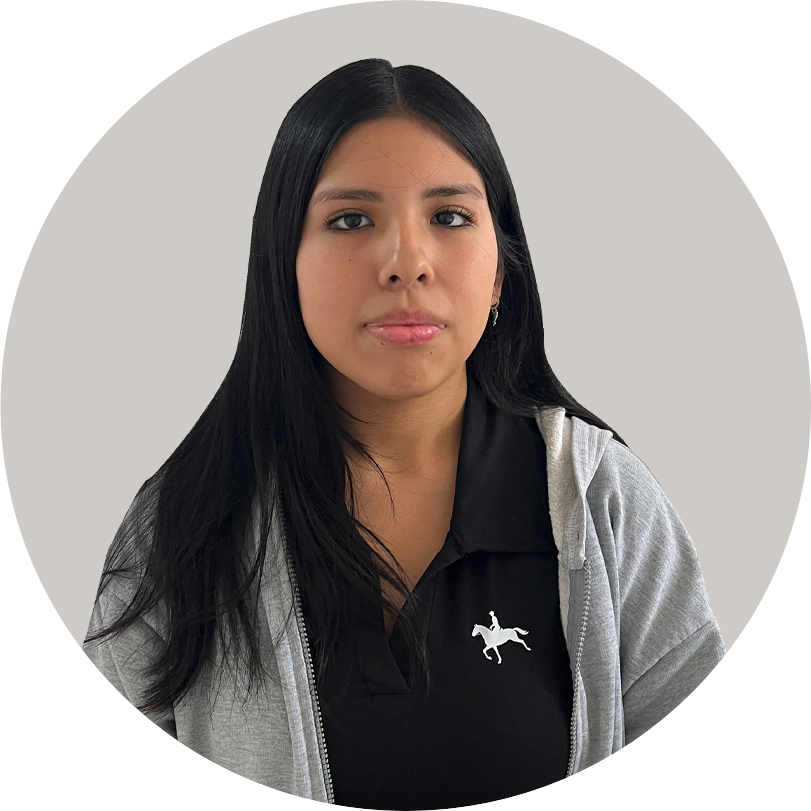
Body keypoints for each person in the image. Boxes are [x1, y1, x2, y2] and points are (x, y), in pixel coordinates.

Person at [82, 58, 725, 807]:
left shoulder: (603, 500)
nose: (406, 263)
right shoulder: (183, 521)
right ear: (282, 264)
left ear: (500, 272)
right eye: (351, 220)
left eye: (449, 217)